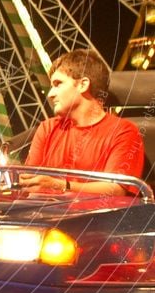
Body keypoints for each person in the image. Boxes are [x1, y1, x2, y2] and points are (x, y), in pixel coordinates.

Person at [21, 49, 144, 196]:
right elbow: (30, 183)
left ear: (83, 85)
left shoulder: (124, 132)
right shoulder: (47, 128)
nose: (50, 94)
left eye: (58, 84)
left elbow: (115, 190)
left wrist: (60, 185)